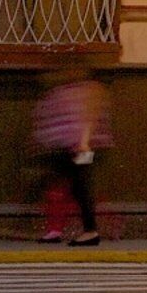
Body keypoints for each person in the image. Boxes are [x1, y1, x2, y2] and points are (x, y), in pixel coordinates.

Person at [27, 66, 109, 246]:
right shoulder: (67, 91)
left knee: (79, 186)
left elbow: (90, 116)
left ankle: (89, 231)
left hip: (81, 147)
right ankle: (58, 230)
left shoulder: (88, 90)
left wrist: (84, 141)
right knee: (68, 186)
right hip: (67, 147)